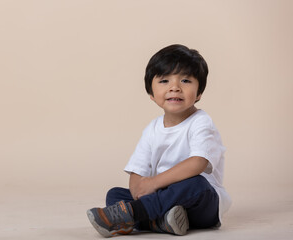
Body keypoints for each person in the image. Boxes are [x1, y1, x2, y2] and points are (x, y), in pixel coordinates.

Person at [86, 44, 232, 238]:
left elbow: (198, 163)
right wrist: (139, 189)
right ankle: (162, 222)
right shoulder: (152, 129)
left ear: (198, 93)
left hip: (201, 206)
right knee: (115, 194)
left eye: (186, 80)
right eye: (164, 81)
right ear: (152, 95)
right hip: (164, 200)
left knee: (197, 184)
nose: (175, 87)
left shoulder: (201, 122)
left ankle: (136, 215)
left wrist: (153, 183)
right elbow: (138, 171)